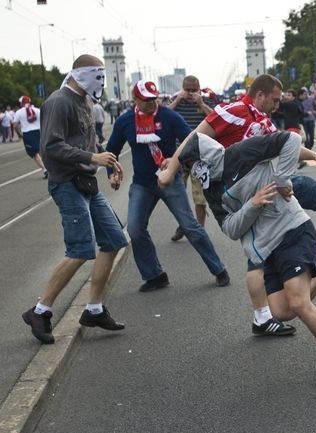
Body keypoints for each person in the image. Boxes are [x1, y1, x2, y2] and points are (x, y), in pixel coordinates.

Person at [159, 74, 316, 337]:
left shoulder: (262, 120)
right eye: (275, 99)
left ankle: (263, 316)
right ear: (260, 95)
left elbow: (283, 143)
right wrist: (170, 171)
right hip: (235, 194)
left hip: (260, 191)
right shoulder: (233, 110)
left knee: (265, 249)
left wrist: (315, 154)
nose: (278, 105)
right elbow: (193, 139)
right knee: (265, 244)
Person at [174, 130, 316, 384]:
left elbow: (291, 140)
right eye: (188, 168)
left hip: (292, 230)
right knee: (282, 311)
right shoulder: (211, 191)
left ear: (205, 156)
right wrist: (253, 204)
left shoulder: (240, 153)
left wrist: (282, 180)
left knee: (298, 302)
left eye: (193, 163)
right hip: (266, 249)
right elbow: (229, 228)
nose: (193, 171)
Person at [22, 54, 128, 344]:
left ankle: (93, 309)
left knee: (115, 239)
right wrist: (93, 157)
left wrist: (108, 166)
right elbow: (51, 147)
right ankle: (40, 310)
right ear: (80, 74)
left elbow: (88, 142)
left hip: (86, 182)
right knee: (80, 249)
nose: (101, 81)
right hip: (67, 184)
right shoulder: (58, 101)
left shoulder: (85, 100)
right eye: (97, 75)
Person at [106, 80, 229, 292]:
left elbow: (190, 141)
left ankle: (219, 269)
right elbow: (111, 151)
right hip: (143, 184)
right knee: (135, 229)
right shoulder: (126, 121)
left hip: (170, 181)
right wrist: (111, 174)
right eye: (146, 100)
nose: (151, 103)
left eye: (154, 99)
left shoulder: (169, 116)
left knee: (189, 226)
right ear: (135, 100)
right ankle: (154, 275)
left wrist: (173, 159)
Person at [169, 75, 216, 238]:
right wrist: (176, 101)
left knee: (200, 198)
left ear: (199, 88)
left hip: (200, 155)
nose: (189, 93)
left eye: (193, 90)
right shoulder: (176, 101)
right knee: (176, 194)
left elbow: (216, 120)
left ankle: (200, 230)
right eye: (187, 90)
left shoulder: (207, 101)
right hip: (179, 156)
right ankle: (184, 224)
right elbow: (163, 115)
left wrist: (201, 104)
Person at [13, 95, 47, 178]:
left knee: (34, 154)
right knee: (42, 151)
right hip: (38, 131)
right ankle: (50, 167)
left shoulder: (19, 112)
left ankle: (45, 170)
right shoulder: (37, 110)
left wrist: (19, 133)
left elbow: (15, 125)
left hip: (28, 134)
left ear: (21, 103)